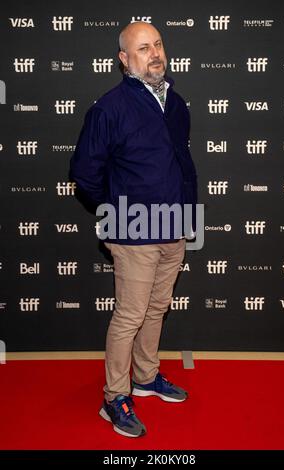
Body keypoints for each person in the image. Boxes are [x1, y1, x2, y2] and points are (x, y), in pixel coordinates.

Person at [69, 21, 197, 438]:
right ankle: (114, 396)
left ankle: (145, 377)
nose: (155, 53)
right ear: (124, 59)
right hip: (133, 231)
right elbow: (85, 173)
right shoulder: (109, 108)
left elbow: (177, 162)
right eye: (143, 48)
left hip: (175, 225)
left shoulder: (174, 102)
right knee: (130, 315)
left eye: (158, 44)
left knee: (156, 309)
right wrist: (118, 214)